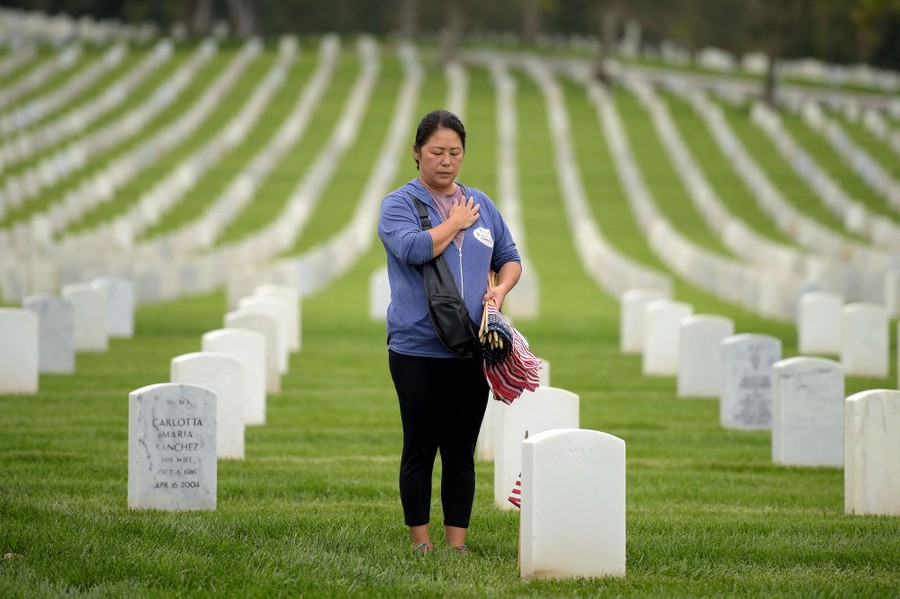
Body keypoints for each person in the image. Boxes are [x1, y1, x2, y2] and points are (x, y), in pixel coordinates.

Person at [377, 109, 522, 554]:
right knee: (420, 447)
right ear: (417, 153)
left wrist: (497, 292)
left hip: (471, 348)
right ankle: (421, 542)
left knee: (461, 451)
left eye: (455, 152)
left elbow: (510, 257)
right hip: (416, 347)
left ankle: (457, 543)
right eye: (436, 151)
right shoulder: (398, 204)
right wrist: (454, 223)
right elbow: (413, 248)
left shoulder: (482, 203)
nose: (446, 161)